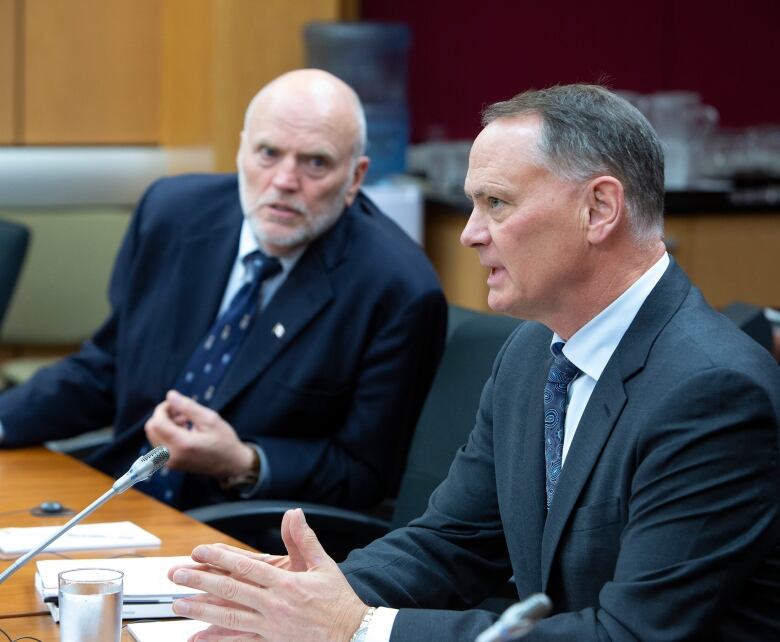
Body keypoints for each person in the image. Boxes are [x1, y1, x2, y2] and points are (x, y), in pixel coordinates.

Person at [167, 84, 780, 641]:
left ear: (598, 210)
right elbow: (454, 541)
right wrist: (299, 600)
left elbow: (629, 636)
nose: (469, 234)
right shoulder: (534, 350)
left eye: (496, 203)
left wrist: (362, 628)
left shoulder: (713, 392)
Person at [0, 69, 447, 511]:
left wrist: (243, 462)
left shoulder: (398, 289)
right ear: (240, 152)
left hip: (253, 534)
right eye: (268, 153)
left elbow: (366, 473)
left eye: (316, 162)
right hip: (126, 496)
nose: (285, 180)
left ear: (354, 178)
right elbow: (109, 367)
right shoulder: (172, 213)